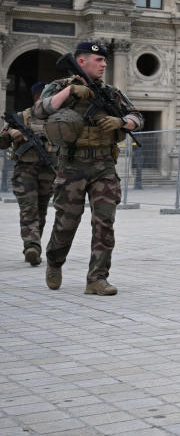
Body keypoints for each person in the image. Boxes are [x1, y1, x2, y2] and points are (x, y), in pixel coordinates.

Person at [35, 42, 143, 295]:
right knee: (66, 222)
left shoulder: (111, 93)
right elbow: (40, 110)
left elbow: (137, 117)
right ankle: (54, 261)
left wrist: (122, 121)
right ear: (81, 61)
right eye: (98, 60)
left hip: (104, 165)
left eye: (105, 60)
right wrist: (71, 91)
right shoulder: (61, 86)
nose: (104, 64)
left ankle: (97, 278)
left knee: (104, 222)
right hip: (72, 164)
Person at [0, 82, 57, 265]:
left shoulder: (57, 119)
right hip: (25, 170)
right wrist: (11, 133)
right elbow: (1, 142)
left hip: (48, 170)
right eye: (44, 96)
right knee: (28, 208)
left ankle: (34, 244)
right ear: (36, 98)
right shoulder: (20, 117)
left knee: (41, 210)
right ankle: (32, 246)